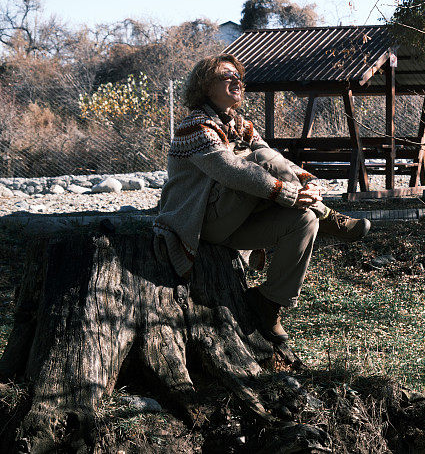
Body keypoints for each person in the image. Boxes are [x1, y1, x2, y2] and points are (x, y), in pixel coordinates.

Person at [153, 54, 370, 343]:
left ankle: (270, 302)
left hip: (234, 222)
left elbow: (279, 160)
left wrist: (308, 183)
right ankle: (329, 216)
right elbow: (231, 170)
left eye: (238, 77)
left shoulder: (241, 125)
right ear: (205, 86)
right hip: (198, 225)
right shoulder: (194, 126)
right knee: (262, 159)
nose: (236, 81)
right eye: (226, 76)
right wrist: (288, 192)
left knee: (304, 219)